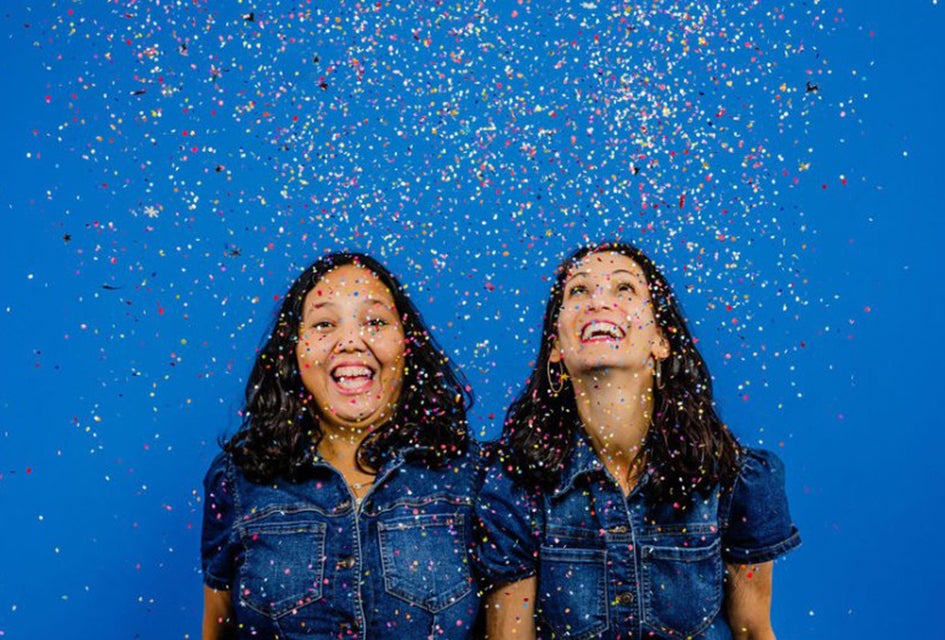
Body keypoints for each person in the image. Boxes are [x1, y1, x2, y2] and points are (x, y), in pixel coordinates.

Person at [475, 242, 800, 640]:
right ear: (556, 347)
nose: (597, 302)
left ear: (661, 340)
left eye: (624, 288)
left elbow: (752, 632)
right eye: (578, 290)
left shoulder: (735, 480)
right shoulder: (516, 486)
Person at [201, 252, 481, 639]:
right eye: (324, 324)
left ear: (407, 344)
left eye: (375, 321)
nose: (350, 342)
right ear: (294, 350)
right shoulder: (237, 481)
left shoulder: (473, 477)